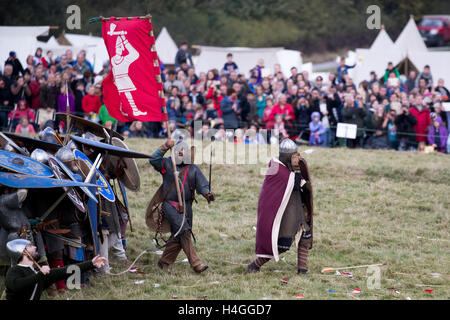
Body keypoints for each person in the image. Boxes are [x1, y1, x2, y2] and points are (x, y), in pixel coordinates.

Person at [247, 139, 313, 274]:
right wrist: (299, 175)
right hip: (284, 214)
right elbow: (291, 183)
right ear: (287, 157)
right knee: (282, 245)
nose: (296, 158)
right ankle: (255, 265)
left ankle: (302, 269)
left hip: (296, 209)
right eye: (294, 156)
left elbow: (302, 185)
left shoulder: (291, 169)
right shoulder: (276, 168)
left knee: (305, 236)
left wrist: (301, 173)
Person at [148, 138, 214, 273]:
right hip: (170, 206)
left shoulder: (193, 169)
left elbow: (202, 185)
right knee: (184, 231)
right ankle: (196, 264)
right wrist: (165, 146)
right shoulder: (167, 164)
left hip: (187, 208)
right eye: (178, 149)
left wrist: (207, 193)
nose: (180, 151)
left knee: (179, 236)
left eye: (183, 150)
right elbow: (153, 160)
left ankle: (164, 262)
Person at [4, 239, 106, 300]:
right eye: (30, 246)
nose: (35, 247)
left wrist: (91, 264)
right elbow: (16, 285)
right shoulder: (14, 271)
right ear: (24, 252)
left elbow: (65, 271)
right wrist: (40, 275)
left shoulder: (37, 273)